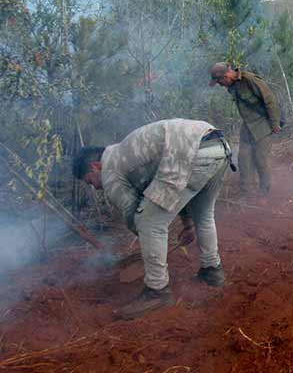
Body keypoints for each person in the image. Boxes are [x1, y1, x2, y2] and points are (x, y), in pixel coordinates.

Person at [72, 119, 233, 319]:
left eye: (90, 180)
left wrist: (148, 237)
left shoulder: (109, 170)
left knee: (148, 221)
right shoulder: (123, 152)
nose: (95, 187)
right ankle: (212, 270)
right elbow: (176, 189)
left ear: (96, 166)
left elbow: (135, 215)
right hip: (217, 147)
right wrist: (187, 225)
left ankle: (157, 291)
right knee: (203, 215)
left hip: (189, 154)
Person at [209, 62, 281, 197]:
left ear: (226, 76)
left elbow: (270, 100)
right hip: (248, 126)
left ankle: (265, 194)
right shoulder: (232, 85)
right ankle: (246, 193)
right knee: (243, 159)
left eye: (219, 82)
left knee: (261, 159)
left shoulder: (250, 80)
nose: (220, 85)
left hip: (263, 124)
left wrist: (275, 124)